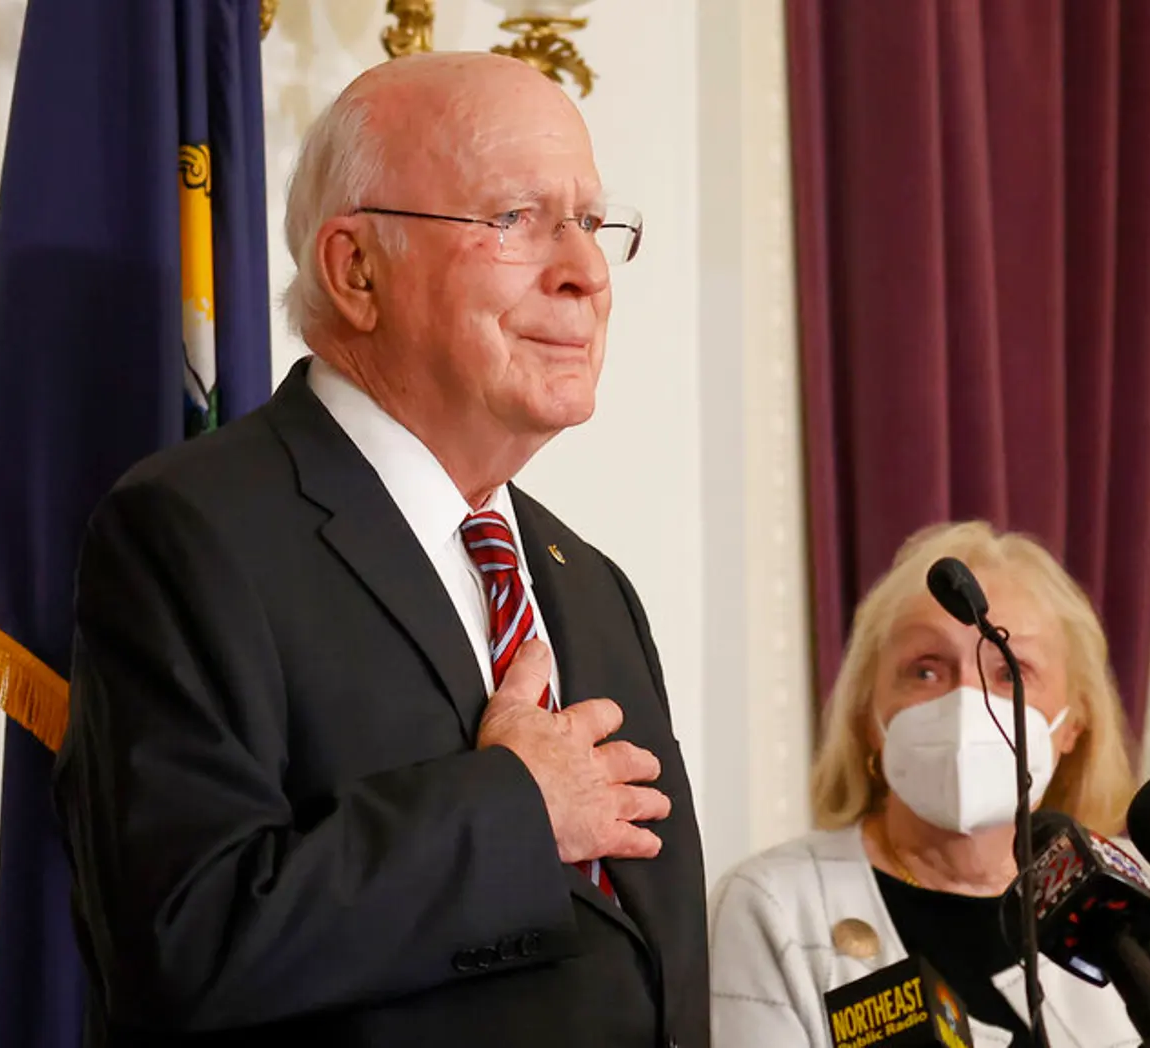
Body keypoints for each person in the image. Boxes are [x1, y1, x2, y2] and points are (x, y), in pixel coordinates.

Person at [54, 52, 706, 1048]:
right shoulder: (191, 531)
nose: (585, 272)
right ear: (356, 269)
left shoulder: (592, 585)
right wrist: (513, 813)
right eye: (516, 217)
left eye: (589, 221)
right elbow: (183, 946)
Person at [708, 522, 1150, 1048]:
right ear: (868, 713)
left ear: (1074, 723)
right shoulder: (775, 904)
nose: (966, 699)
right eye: (925, 671)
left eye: (1008, 671)